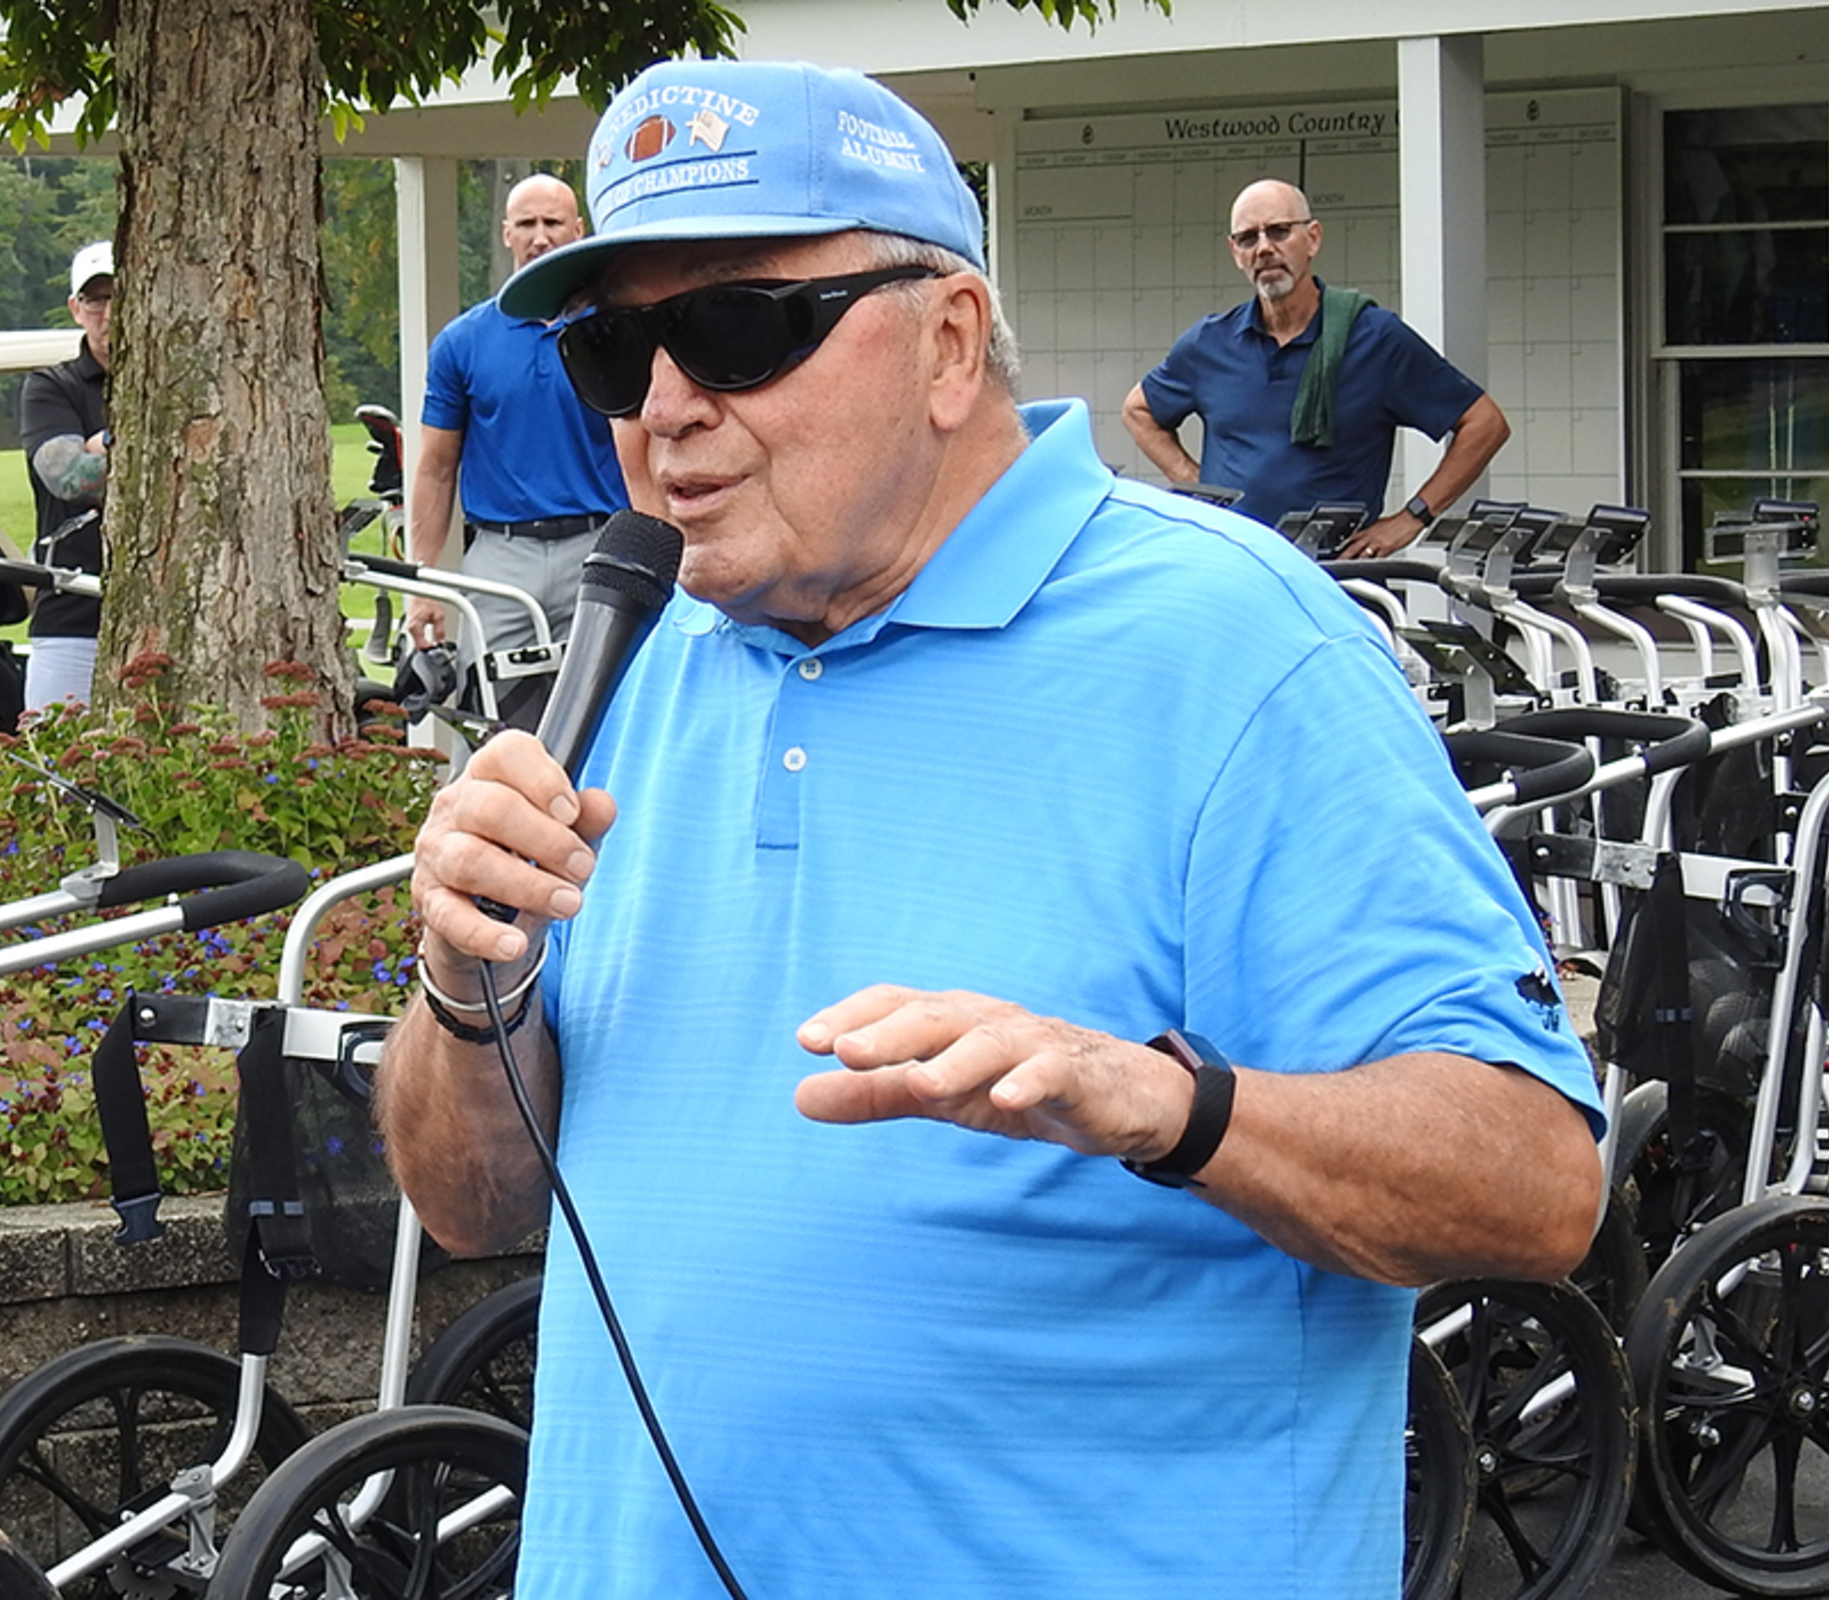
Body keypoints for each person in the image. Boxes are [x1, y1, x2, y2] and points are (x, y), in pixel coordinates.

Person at [383, 60, 1603, 1599]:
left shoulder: (1237, 645)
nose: (667, 407)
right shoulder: (636, 655)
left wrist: (1167, 1106)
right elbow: (471, 1205)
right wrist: (465, 984)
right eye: (614, 352)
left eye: (740, 329)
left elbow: (1533, 1181)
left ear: (950, 340)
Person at [1122, 178, 1512, 558]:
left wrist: (1412, 518)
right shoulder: (1209, 343)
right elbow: (1138, 411)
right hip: (1234, 566)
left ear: (1313, 238)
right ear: (1235, 253)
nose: (1264, 248)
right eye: (1248, 238)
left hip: (1333, 574)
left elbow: (1484, 424)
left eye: (1279, 231)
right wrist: (1198, 484)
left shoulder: (1374, 338)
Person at [404, 173, 631, 726]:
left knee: (607, 719)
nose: (540, 236)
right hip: (501, 558)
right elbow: (436, 470)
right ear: (507, 233)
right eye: (527, 224)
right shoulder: (463, 342)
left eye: (553, 222)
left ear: (578, 230)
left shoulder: (616, 332)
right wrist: (422, 584)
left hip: (598, 547)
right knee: (487, 723)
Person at [18, 239, 114, 712]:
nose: (110, 312)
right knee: (60, 754)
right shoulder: (51, 387)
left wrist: (101, 443)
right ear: (77, 309)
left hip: (175, 618)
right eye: (97, 299)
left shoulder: (185, 387)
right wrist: (130, 441)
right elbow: (70, 478)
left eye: (123, 295)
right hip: (74, 620)